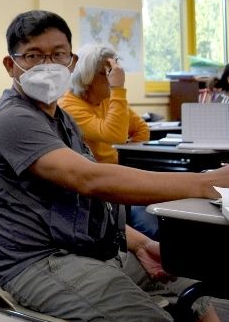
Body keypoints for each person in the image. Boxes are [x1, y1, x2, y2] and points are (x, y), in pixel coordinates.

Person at [0, 10, 229, 322]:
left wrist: (142, 243)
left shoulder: (60, 118)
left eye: (57, 54)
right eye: (34, 55)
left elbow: (85, 203)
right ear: (11, 64)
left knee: (187, 290)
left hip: (81, 249)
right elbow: (89, 179)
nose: (47, 65)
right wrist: (204, 182)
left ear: (72, 60)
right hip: (36, 264)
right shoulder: (12, 119)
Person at [59, 44, 158, 238]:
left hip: (120, 180)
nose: (115, 78)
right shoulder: (68, 106)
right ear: (89, 77)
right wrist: (118, 89)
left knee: (159, 220)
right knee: (149, 227)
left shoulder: (107, 100)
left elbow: (141, 129)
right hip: (96, 189)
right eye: (109, 73)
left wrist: (124, 154)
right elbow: (116, 134)